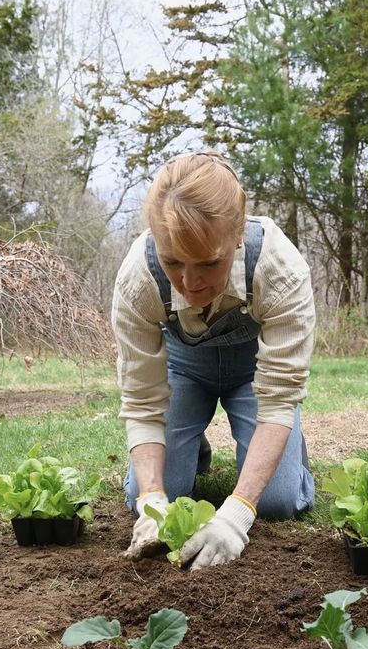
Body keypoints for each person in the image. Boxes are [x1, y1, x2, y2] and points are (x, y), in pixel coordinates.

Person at [111, 151, 315, 570]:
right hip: (184, 372)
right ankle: (190, 441)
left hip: (253, 375)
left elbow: (277, 400)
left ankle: (290, 456)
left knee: (276, 501)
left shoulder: (280, 270)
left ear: (237, 233)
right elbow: (143, 402)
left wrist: (237, 514)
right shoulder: (138, 280)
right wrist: (153, 498)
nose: (188, 283)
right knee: (142, 497)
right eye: (172, 262)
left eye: (208, 262)